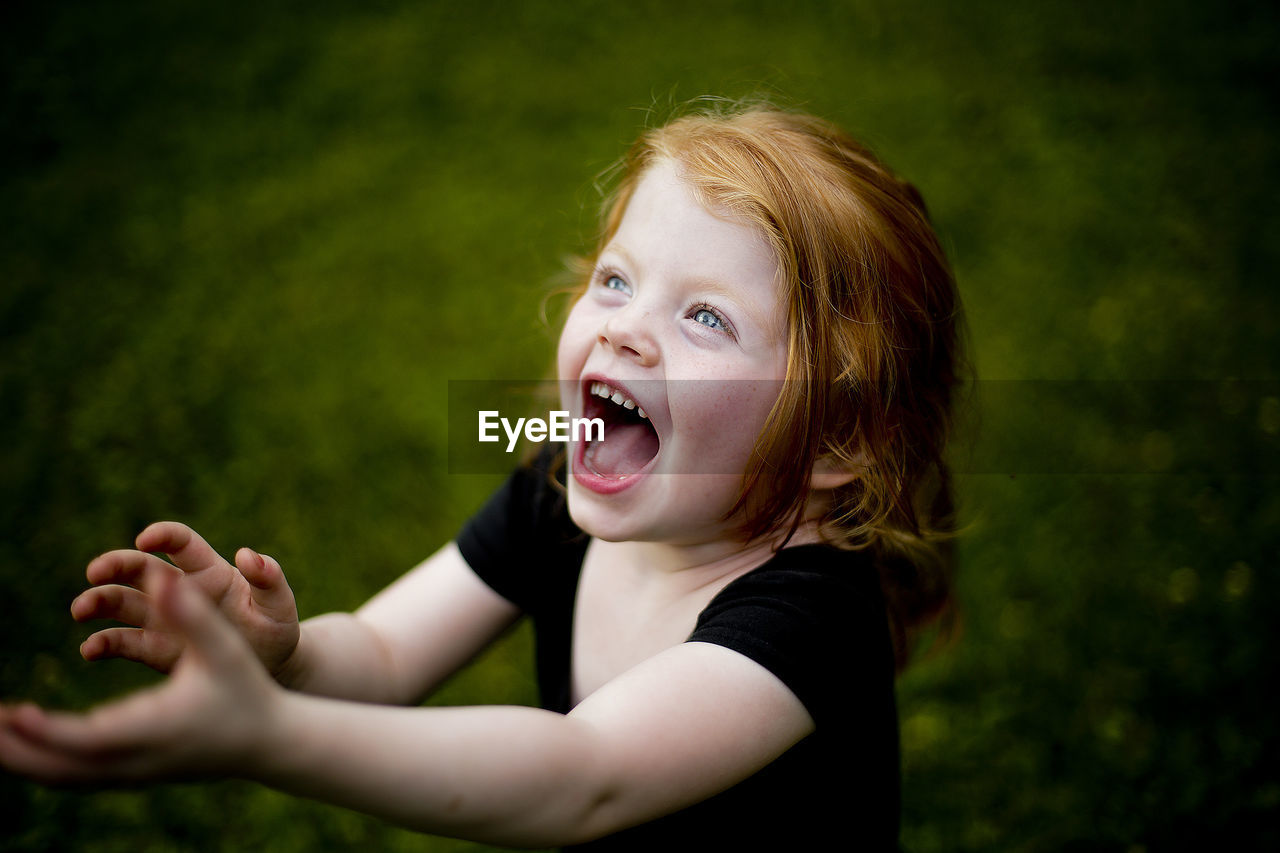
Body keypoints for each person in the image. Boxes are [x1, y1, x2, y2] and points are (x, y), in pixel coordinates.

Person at [0, 100, 964, 850]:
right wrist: (283, 660)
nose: (623, 325)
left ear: (839, 440)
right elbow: (380, 652)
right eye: (618, 280)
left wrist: (271, 735)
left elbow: (583, 773)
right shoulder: (560, 492)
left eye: (706, 317)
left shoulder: (811, 617)